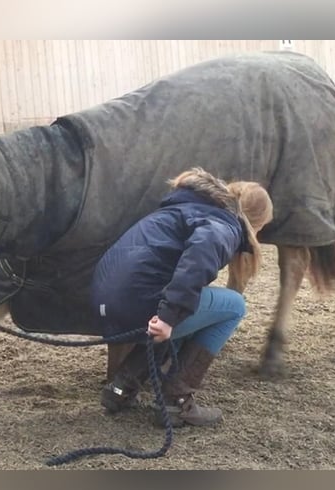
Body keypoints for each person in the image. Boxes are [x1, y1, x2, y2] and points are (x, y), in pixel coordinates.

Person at [91, 168, 273, 427]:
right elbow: (197, 260)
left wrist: (170, 315)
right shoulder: (223, 225)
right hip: (137, 304)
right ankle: (176, 400)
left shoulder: (186, 207)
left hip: (105, 302)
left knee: (188, 307)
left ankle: (121, 387)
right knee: (233, 306)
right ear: (256, 223)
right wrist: (167, 318)